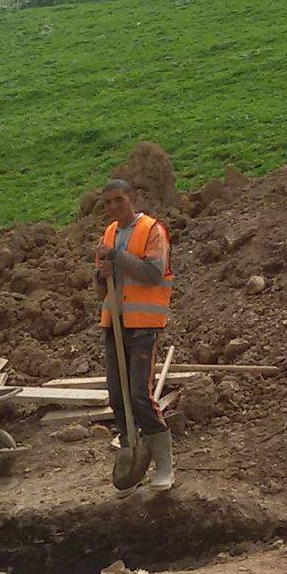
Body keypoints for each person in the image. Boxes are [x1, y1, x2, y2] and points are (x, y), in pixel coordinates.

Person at [94, 178, 174, 490]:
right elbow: (101, 287)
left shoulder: (152, 230)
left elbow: (153, 274)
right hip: (115, 322)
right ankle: (133, 457)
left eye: (119, 200)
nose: (114, 207)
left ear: (132, 199)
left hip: (143, 323)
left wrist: (116, 258)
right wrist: (101, 275)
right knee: (118, 395)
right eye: (108, 203)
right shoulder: (109, 234)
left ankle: (164, 466)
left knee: (140, 394)